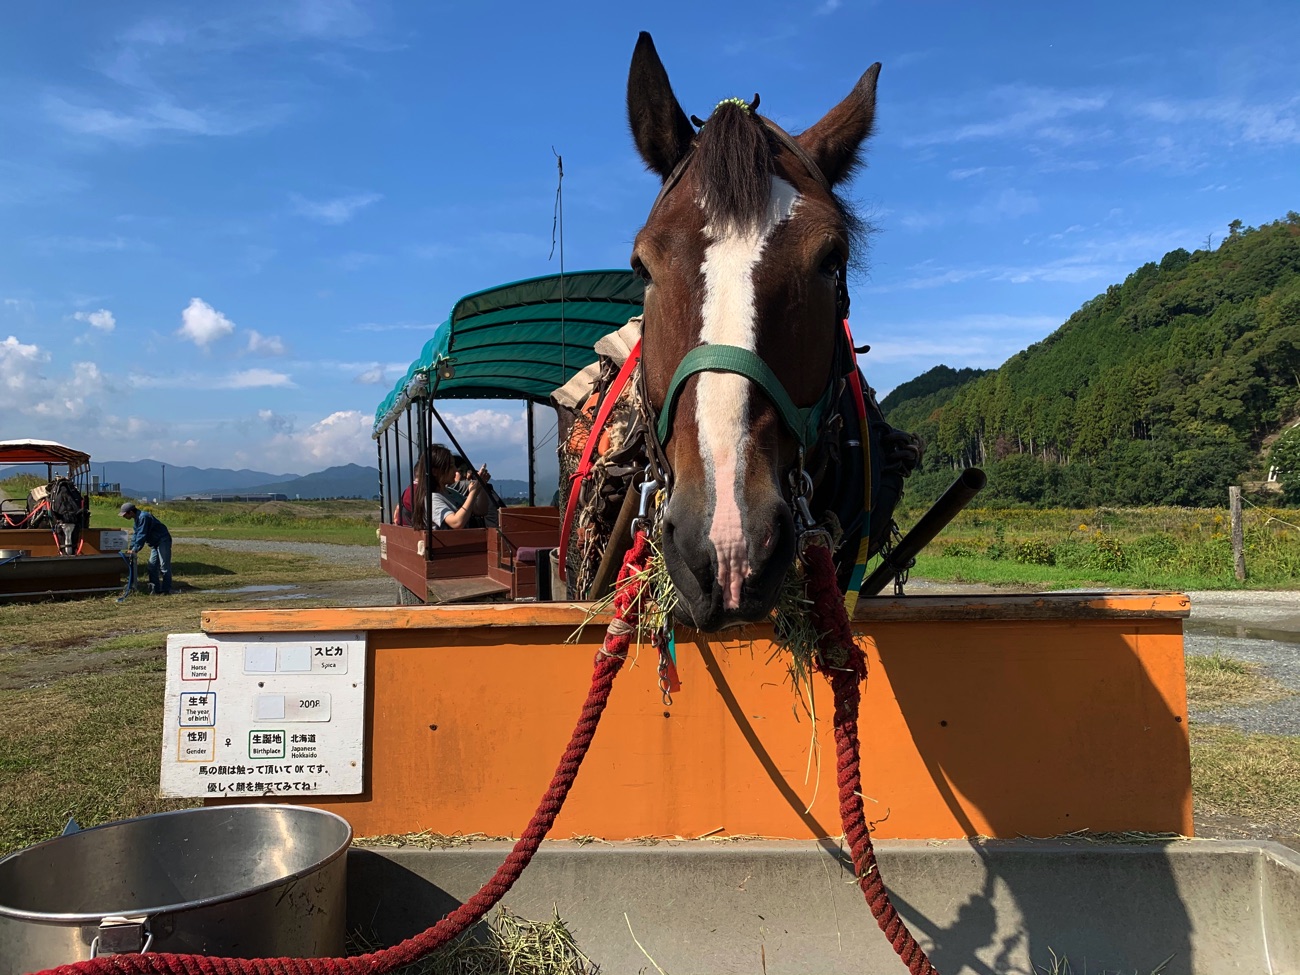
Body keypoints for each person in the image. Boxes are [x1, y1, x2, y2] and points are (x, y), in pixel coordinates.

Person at [395, 445, 490, 530]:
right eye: (451, 466)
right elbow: (456, 523)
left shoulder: (450, 492)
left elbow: (480, 510)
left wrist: (482, 486)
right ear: (435, 472)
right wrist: (473, 493)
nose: (456, 471)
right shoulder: (432, 499)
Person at [119, 501, 173, 595]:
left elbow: (142, 534)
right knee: (152, 566)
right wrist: (131, 548)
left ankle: (165, 590)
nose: (124, 517)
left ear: (131, 512)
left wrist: (135, 549)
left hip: (162, 540)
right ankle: (155, 589)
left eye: (124, 514)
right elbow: (136, 534)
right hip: (154, 543)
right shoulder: (137, 519)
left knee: (164, 566)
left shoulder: (144, 517)